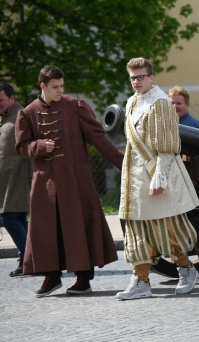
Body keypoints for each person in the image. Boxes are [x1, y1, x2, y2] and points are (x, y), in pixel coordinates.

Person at [15, 66, 124, 296]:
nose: (60, 90)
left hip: (76, 180)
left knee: (79, 226)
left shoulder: (76, 107)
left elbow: (99, 139)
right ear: (42, 86)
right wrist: (40, 146)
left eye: (62, 86)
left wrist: (125, 165)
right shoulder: (27, 113)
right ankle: (51, 277)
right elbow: (22, 147)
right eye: (55, 87)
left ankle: (83, 279)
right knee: (46, 231)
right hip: (45, 182)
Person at [116, 58, 199, 300]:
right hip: (134, 174)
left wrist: (160, 176)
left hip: (155, 172)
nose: (136, 81)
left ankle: (186, 269)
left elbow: (166, 146)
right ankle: (141, 280)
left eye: (140, 76)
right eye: (132, 77)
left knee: (167, 227)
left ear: (151, 77)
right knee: (137, 229)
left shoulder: (161, 103)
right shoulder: (132, 102)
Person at [168, 85, 199, 252]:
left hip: (194, 181)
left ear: (187, 105)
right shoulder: (165, 127)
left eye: (178, 103)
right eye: (171, 103)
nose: (175, 107)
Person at [1, 83, 32, 277]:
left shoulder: (20, 116)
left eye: (1, 100)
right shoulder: (6, 117)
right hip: (8, 180)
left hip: (18, 178)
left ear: (12, 98)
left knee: (8, 217)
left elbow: (28, 146)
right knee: (18, 218)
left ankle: (30, 259)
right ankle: (27, 259)